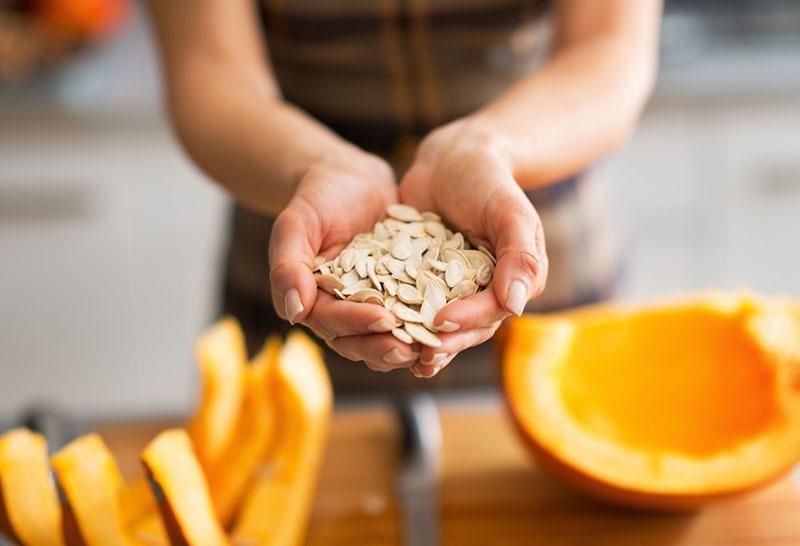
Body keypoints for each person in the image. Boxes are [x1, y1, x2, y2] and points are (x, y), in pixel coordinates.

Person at [147, 0, 661, 387]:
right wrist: (318, 165)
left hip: (538, 245)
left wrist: (488, 147)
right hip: (306, 243)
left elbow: (608, 48)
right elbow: (210, 73)